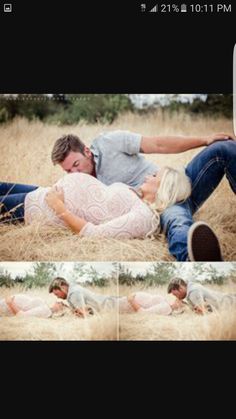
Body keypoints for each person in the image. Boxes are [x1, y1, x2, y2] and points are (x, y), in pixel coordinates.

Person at [50, 131, 236, 261]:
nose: (75, 173)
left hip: (176, 182)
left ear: (87, 152)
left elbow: (158, 144)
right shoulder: (85, 186)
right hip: (159, 205)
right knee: (178, 222)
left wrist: (205, 139)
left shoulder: (109, 142)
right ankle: (192, 257)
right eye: (68, 171)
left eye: (76, 164)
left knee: (223, 148)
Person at [0, 166, 191, 241]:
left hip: (40, 209)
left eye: (155, 176)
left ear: (164, 188)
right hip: (41, 192)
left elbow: (94, 234)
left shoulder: (145, 217)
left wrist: (58, 206)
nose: (148, 175)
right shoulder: (137, 198)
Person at [49, 277, 182, 317]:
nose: (58, 297)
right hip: (118, 301)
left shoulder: (73, 292)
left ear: (63, 286)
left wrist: (131, 300)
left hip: (127, 301)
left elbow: (143, 314)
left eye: (57, 293)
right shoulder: (73, 289)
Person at [167, 277, 236, 314]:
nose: (176, 297)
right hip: (229, 298)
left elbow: (204, 313)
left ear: (180, 288)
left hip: (231, 304)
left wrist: (182, 307)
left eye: (175, 294)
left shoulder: (193, 292)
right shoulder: (189, 285)